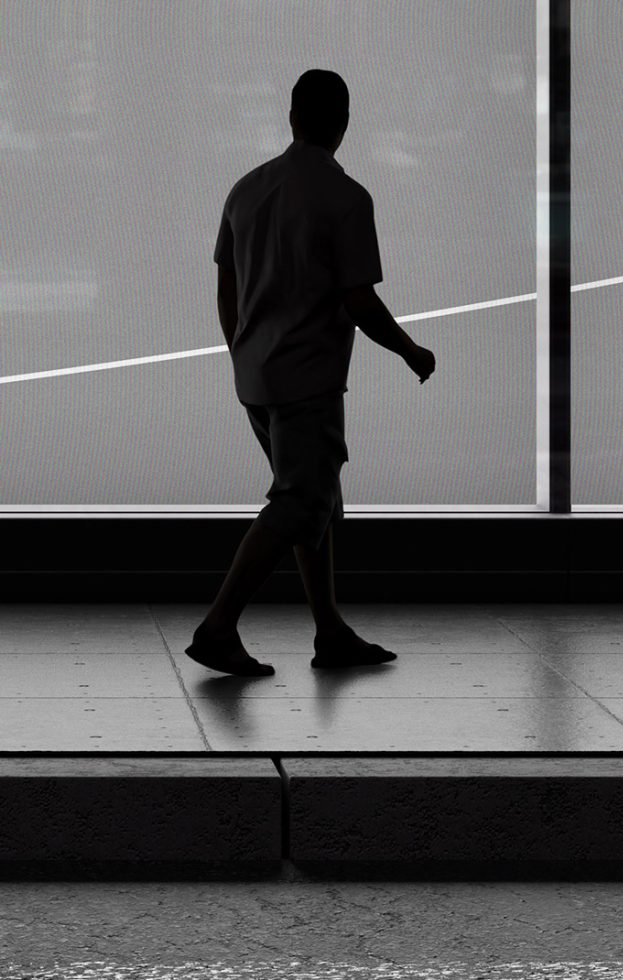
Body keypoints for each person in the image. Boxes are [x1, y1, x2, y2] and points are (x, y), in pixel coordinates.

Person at [185, 69, 436, 677]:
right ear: (342, 123)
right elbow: (359, 300)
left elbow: (227, 284)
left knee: (315, 502)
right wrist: (411, 351)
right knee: (300, 501)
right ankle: (218, 626)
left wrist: (240, 349)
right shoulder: (345, 198)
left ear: (291, 117)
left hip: (257, 376)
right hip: (309, 381)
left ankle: (330, 630)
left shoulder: (246, 190)